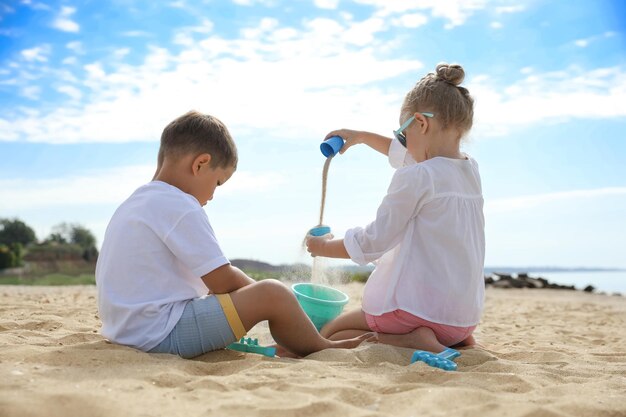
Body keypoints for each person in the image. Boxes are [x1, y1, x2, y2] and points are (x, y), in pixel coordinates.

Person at [96, 110, 371, 359]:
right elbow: (221, 280)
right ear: (200, 164)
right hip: (159, 334)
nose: (213, 195)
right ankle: (322, 346)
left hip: (125, 332)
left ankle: (294, 341)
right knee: (273, 293)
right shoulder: (181, 205)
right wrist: (275, 300)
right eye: (217, 182)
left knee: (254, 293)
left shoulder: (136, 202)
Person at [306, 63, 485, 354]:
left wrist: (322, 248)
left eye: (402, 134)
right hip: (460, 320)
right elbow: (411, 157)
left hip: (413, 310)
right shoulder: (469, 171)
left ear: (421, 123)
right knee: (361, 326)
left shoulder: (417, 176)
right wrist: (361, 136)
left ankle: (413, 339)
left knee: (334, 330)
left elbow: (374, 241)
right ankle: (450, 339)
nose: (402, 144)